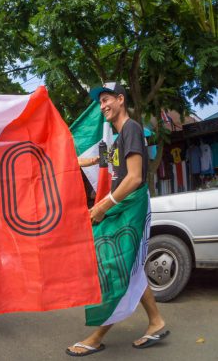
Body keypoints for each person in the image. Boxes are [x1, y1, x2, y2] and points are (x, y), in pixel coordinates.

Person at [66, 82, 169, 356]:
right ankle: (156, 321)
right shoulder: (119, 137)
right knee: (130, 267)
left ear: (121, 99)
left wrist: (103, 205)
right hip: (121, 208)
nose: (103, 106)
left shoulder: (132, 129)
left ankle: (98, 336)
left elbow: (134, 177)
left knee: (116, 267)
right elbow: (100, 162)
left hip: (129, 207)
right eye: (100, 103)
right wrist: (67, 161)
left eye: (107, 100)